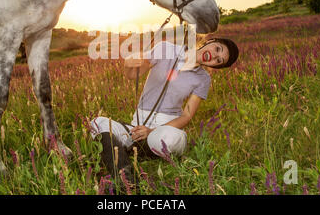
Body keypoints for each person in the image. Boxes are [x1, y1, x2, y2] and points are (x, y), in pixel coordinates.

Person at [90, 34, 239, 189]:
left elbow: (187, 114)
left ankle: (126, 152)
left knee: (170, 139)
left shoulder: (203, 79)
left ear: (215, 66)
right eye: (217, 49)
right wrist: (128, 64)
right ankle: (127, 179)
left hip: (165, 127)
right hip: (137, 124)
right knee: (97, 123)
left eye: (219, 60)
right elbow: (133, 75)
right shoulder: (166, 48)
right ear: (210, 41)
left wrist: (152, 131)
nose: (214, 56)